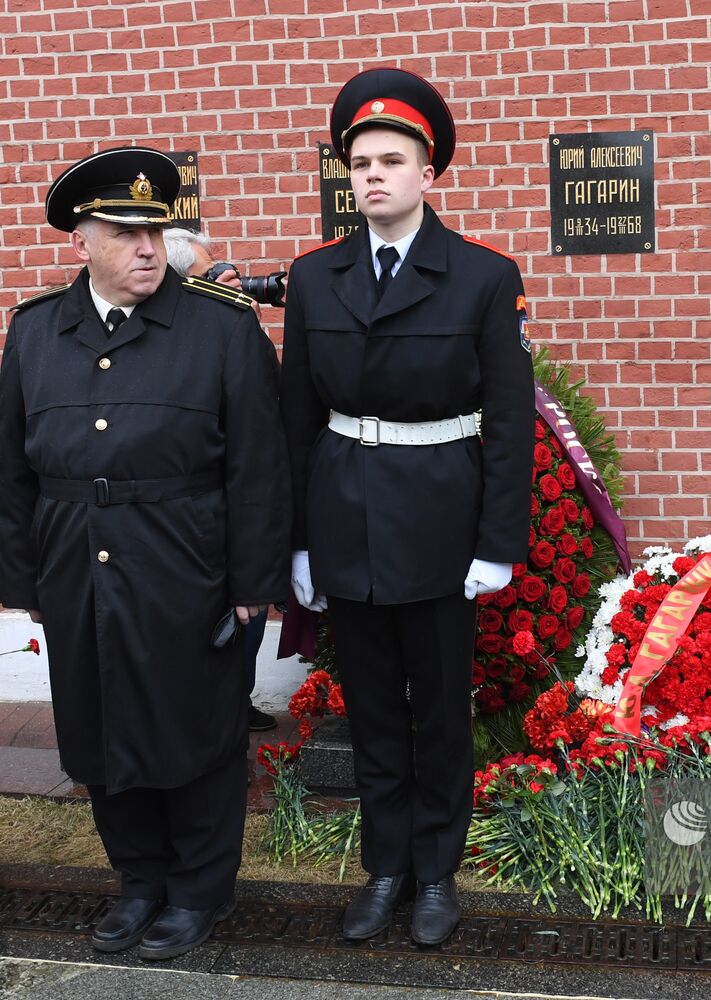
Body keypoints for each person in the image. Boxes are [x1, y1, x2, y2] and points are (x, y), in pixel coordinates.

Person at [0, 147, 291, 960]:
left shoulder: (221, 327)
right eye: (125, 234)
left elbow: (259, 466)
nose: (146, 249)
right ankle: (138, 882)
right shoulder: (36, 331)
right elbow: (12, 468)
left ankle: (197, 891)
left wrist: (253, 583)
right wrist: (25, 579)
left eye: (155, 233)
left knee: (193, 730)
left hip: (185, 561)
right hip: (75, 562)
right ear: (82, 241)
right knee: (97, 727)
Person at [280, 69, 533, 945]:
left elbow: (509, 422)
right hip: (345, 515)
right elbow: (296, 420)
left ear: (428, 173)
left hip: (440, 521)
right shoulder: (316, 278)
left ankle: (435, 873)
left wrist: (497, 542)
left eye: (391, 161)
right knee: (373, 710)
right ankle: (385, 867)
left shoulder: (483, 277)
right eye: (360, 164)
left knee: (440, 712)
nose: (373, 176)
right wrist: (298, 544)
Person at [163, 227, 276, 733]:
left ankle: (236, 700)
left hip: (243, 506)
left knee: (248, 614)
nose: (223, 279)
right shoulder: (170, 341)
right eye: (206, 274)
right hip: (196, 514)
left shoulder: (229, 326)